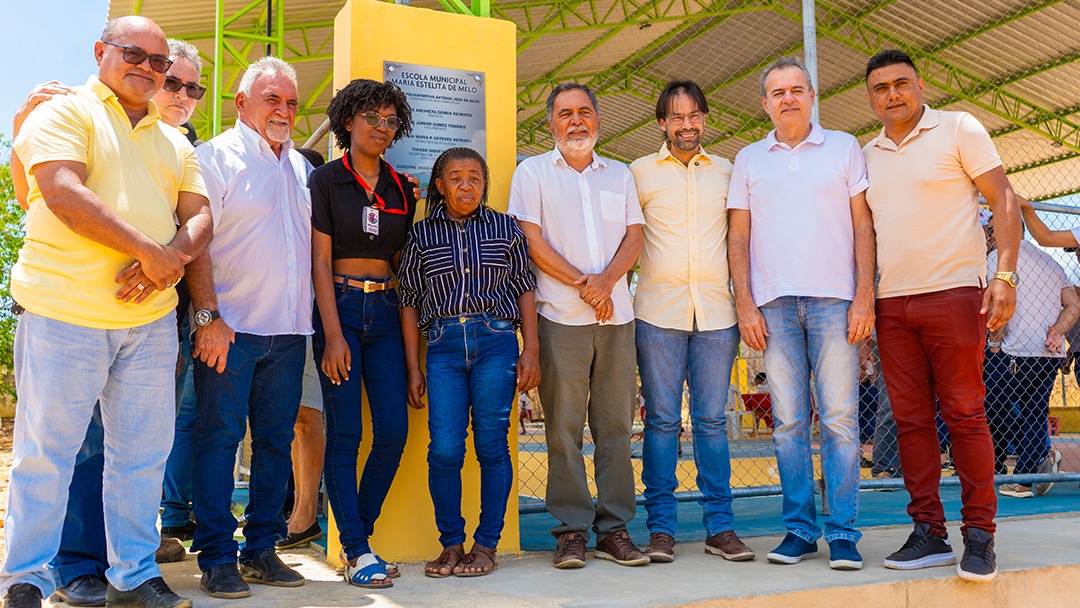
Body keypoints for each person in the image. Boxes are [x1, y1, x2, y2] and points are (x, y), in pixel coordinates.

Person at [2, 15, 211, 608]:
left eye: (158, 61)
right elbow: (60, 190)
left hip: (148, 325)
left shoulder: (174, 140)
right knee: (46, 455)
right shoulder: (63, 111)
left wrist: (169, 259)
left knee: (141, 458)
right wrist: (150, 252)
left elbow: (200, 215)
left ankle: (135, 574)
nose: (147, 67)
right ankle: (26, 579)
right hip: (63, 314)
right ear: (100, 51)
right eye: (133, 53)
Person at [862, 49, 1021, 582]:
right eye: (881, 87)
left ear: (920, 85)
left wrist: (1005, 275)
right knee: (909, 421)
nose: (892, 94)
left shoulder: (958, 128)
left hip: (954, 295)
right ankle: (928, 532)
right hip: (891, 304)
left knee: (965, 415)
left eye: (901, 83)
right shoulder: (867, 154)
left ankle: (980, 537)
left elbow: (1004, 198)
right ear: (870, 97)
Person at [728, 57, 874, 571]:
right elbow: (738, 235)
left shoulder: (844, 147)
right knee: (788, 424)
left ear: (812, 95)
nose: (787, 98)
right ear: (764, 103)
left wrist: (864, 295)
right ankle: (799, 531)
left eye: (796, 89)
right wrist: (745, 302)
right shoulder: (749, 159)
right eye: (777, 92)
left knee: (840, 421)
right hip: (774, 306)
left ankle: (844, 533)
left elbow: (863, 225)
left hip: (836, 300)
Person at [508, 82, 648, 569]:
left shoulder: (620, 175)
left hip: (616, 319)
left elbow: (635, 235)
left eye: (584, 112)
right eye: (565, 113)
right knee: (563, 429)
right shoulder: (532, 173)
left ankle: (614, 530)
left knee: (616, 428)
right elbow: (529, 238)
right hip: (560, 318)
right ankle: (571, 530)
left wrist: (607, 283)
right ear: (550, 123)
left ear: (598, 120)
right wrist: (584, 284)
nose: (576, 121)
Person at [188, 56, 313, 599]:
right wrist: (208, 318)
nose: (283, 110)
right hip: (230, 332)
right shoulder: (214, 158)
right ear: (241, 103)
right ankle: (217, 557)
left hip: (289, 332)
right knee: (218, 441)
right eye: (272, 99)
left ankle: (262, 549)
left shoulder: (302, 169)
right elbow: (195, 244)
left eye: (291, 102)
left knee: (275, 443)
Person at [398, 147, 540, 578]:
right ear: (440, 186)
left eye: (475, 178)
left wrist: (531, 350)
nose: (466, 185)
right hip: (442, 346)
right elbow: (409, 301)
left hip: (496, 341)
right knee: (444, 449)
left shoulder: (505, 227)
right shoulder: (420, 235)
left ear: (484, 183)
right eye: (456, 178)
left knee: (492, 444)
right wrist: (413, 367)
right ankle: (451, 543)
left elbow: (525, 288)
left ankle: (486, 544)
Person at [629, 80, 754, 564]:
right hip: (657, 314)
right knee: (661, 421)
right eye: (677, 117)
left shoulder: (727, 172)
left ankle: (719, 528)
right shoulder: (638, 173)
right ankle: (661, 529)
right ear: (662, 123)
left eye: (695, 115)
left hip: (717, 316)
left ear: (704, 118)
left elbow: (743, 239)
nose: (687, 125)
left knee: (711, 422)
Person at [308, 78, 416, 589]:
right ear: (348, 121)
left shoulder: (401, 188)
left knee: (393, 432)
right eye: (371, 117)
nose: (381, 127)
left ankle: (358, 540)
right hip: (342, 309)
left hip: (387, 313)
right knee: (346, 433)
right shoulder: (326, 180)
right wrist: (332, 334)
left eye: (391, 121)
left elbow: (400, 259)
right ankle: (357, 549)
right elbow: (319, 260)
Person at [982, 212, 1077, 498]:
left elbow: (1000, 306)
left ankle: (1015, 465)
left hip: (1014, 350)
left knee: (991, 406)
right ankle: (1027, 475)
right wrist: (1057, 333)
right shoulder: (1051, 262)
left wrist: (994, 342)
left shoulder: (998, 258)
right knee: (1034, 412)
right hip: (1047, 352)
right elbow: (1073, 305)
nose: (988, 236)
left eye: (991, 230)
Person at [277, 147, 329, 552]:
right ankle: (298, 510)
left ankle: (306, 514)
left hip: (313, 314)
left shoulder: (318, 209)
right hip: (283, 318)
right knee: (294, 419)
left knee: (307, 416)